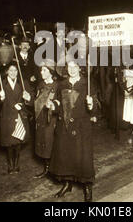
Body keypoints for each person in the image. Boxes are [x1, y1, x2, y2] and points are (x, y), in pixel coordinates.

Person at [48, 60, 99, 202]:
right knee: (65, 156)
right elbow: (58, 103)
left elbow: (95, 106)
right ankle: (67, 183)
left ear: (80, 68)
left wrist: (91, 104)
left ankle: (87, 188)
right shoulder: (62, 84)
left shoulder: (87, 84)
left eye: (74, 66)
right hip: (64, 126)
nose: (71, 69)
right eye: (69, 67)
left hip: (81, 126)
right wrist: (53, 106)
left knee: (83, 158)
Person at [0, 63, 33, 174]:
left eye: (15, 71)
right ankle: (10, 165)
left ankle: (16, 164)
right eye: (11, 70)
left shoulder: (23, 83)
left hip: (19, 115)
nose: (13, 73)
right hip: (7, 116)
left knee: (18, 142)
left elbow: (29, 99)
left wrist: (25, 101)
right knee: (9, 143)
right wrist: (1, 98)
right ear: (7, 71)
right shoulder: (2, 84)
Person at [33, 60, 59, 178]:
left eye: (44, 70)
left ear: (51, 72)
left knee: (51, 142)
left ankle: (54, 169)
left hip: (52, 119)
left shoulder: (57, 86)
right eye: (41, 70)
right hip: (41, 118)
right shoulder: (40, 85)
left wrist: (53, 104)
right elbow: (36, 101)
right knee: (43, 141)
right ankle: (47, 168)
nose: (41, 72)